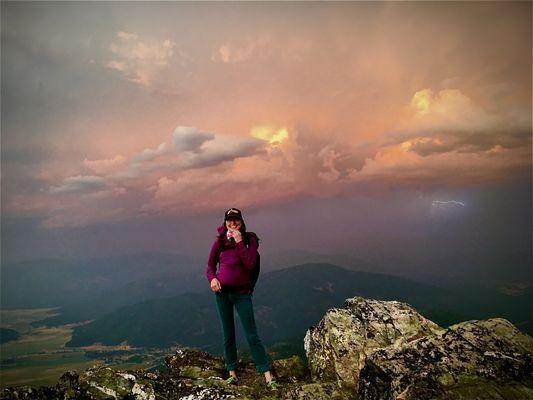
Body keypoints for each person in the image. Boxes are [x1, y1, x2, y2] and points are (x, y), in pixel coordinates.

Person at [206, 207, 279, 391]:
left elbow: (250, 263)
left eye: (236, 220)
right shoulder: (220, 242)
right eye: (229, 220)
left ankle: (267, 375)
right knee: (228, 333)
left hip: (242, 294)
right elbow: (209, 266)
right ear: (225, 222)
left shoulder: (249, 240)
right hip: (222, 293)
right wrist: (213, 279)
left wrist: (239, 242)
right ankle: (232, 373)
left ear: (241, 221)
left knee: (251, 334)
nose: (233, 223)